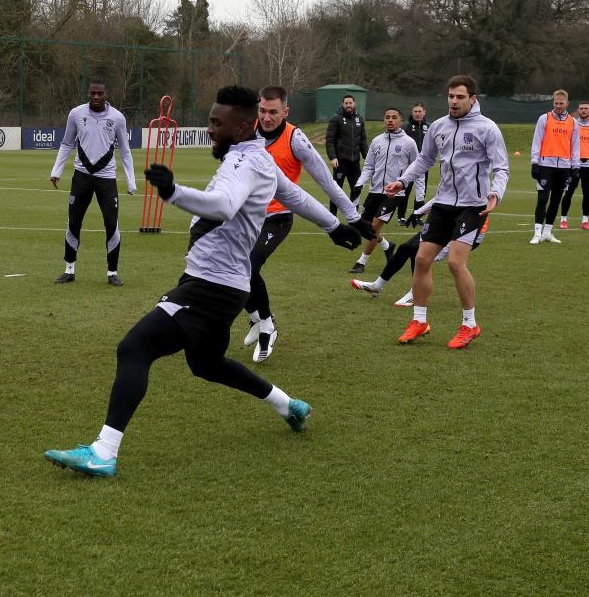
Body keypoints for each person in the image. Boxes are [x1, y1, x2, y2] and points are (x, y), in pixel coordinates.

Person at [44, 86, 363, 477]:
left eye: (217, 123)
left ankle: (103, 453)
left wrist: (173, 191)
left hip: (212, 287)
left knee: (134, 348)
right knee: (207, 363)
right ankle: (288, 405)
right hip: (222, 284)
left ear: (241, 127)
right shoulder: (255, 157)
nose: (210, 129)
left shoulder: (243, 164)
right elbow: (293, 193)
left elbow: (224, 205)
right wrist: (332, 224)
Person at [242, 85, 376, 363]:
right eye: (263, 111)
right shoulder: (245, 130)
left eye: (273, 112)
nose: (266, 118)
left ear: (286, 111)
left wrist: (352, 217)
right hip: (243, 217)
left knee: (250, 265)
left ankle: (267, 324)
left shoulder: (296, 139)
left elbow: (326, 181)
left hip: (277, 217)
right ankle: (256, 318)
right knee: (231, 268)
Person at [384, 75, 509, 349]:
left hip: (473, 205)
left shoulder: (487, 128)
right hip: (443, 203)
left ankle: (469, 324)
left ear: (473, 99)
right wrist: (403, 180)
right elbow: (425, 159)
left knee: (454, 262)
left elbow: (501, 167)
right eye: (450, 96)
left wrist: (495, 193)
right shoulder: (438, 127)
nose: (453, 101)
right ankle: (419, 320)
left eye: (460, 97)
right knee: (422, 259)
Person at [50, 78, 136, 286]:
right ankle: (69, 269)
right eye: (92, 93)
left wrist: (131, 181)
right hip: (81, 177)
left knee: (111, 223)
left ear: (106, 95)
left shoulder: (117, 118)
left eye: (100, 93)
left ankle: (112, 272)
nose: (96, 97)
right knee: (74, 222)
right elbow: (66, 143)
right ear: (88, 94)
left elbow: (124, 151)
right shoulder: (76, 114)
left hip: (107, 179)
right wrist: (56, 171)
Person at [351, 199, 489, 307]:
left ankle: (415, 293)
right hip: (446, 223)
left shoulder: (475, 177)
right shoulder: (454, 173)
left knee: (418, 252)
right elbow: (441, 197)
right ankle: (377, 286)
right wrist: (419, 212)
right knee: (405, 248)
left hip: (467, 231)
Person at [348, 108, 424, 275]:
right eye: (387, 117)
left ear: (400, 120)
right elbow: (369, 166)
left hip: (394, 193)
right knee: (365, 228)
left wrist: (420, 196)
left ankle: (361, 262)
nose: (390, 120)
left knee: (374, 226)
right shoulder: (376, 141)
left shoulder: (409, 143)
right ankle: (387, 246)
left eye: (394, 117)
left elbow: (417, 169)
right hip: (375, 191)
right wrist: (359, 184)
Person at [529, 90, 579, 244]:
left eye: (561, 103)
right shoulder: (544, 119)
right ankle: (537, 233)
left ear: (567, 104)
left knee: (556, 200)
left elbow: (575, 146)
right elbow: (537, 141)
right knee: (543, 198)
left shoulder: (573, 122)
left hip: (564, 167)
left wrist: (575, 167)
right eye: (556, 103)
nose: (558, 106)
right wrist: (534, 162)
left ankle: (547, 232)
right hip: (545, 165)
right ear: (553, 102)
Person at [559, 101, 589, 230]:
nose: (583, 110)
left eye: (586, 108)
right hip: (574, 165)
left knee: (587, 194)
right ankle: (563, 219)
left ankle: (585, 221)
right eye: (581, 108)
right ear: (578, 110)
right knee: (569, 192)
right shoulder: (573, 125)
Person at [325, 94, 368, 215]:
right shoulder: (336, 118)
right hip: (340, 162)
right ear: (343, 104)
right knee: (336, 191)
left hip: (355, 162)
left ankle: (353, 217)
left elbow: (363, 141)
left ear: (354, 104)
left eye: (350, 103)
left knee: (357, 189)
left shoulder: (359, 118)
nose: (348, 105)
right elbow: (330, 139)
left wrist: (368, 158)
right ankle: (332, 217)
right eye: (346, 103)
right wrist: (333, 157)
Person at [397, 102, 429, 224]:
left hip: (423, 164)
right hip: (408, 165)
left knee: (421, 191)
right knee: (405, 190)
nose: (417, 113)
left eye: (419, 111)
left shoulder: (429, 127)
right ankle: (401, 217)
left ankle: (418, 215)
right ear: (412, 112)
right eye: (415, 111)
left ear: (424, 112)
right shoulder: (406, 126)